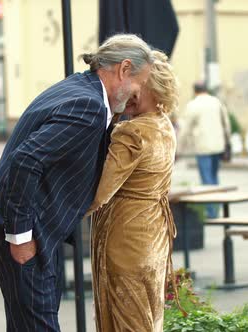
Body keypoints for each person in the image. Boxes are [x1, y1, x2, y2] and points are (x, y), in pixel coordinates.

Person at [0, 34, 153, 331]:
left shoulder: (81, 89)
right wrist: (20, 237)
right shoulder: (89, 106)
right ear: (124, 69)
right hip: (21, 232)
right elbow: (25, 161)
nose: (138, 94)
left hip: (34, 229)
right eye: (139, 83)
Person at [87, 50, 180, 332]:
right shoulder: (164, 124)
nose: (128, 91)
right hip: (155, 234)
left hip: (125, 238)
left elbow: (100, 194)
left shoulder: (132, 133)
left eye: (136, 85)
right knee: (149, 319)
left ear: (153, 87)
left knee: (125, 319)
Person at [177, 82, 230, 218]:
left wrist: (178, 149)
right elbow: (226, 123)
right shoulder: (216, 102)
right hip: (218, 146)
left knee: (206, 180)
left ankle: (211, 211)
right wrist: (227, 142)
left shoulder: (193, 105)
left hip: (203, 146)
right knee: (214, 178)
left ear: (195, 91)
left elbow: (185, 129)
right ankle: (216, 207)